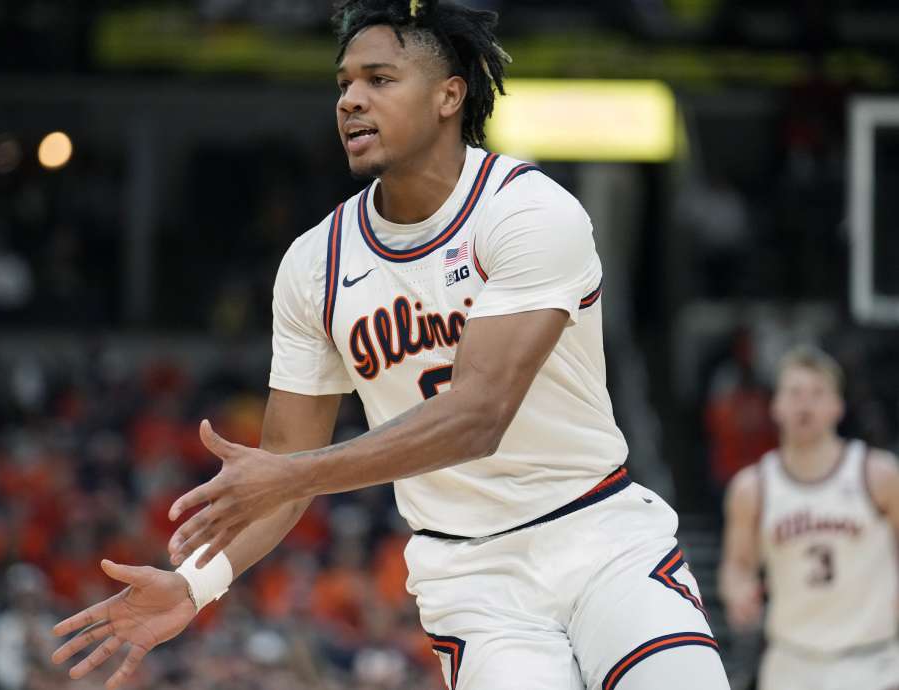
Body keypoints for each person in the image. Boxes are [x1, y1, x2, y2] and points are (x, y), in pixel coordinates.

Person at [52, 1, 729, 688]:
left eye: (379, 79)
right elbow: (281, 473)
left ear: (448, 95)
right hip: (472, 575)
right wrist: (194, 585)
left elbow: (478, 416)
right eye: (344, 83)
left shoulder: (529, 211)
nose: (351, 100)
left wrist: (297, 473)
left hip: (597, 534)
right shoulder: (315, 264)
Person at [719, 346, 899, 690]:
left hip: (872, 661)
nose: (805, 404)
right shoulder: (752, 487)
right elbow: (737, 565)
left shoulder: (878, 474)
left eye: (818, 393)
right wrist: (738, 591)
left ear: (837, 406)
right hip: (792, 663)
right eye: (795, 393)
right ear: (776, 405)